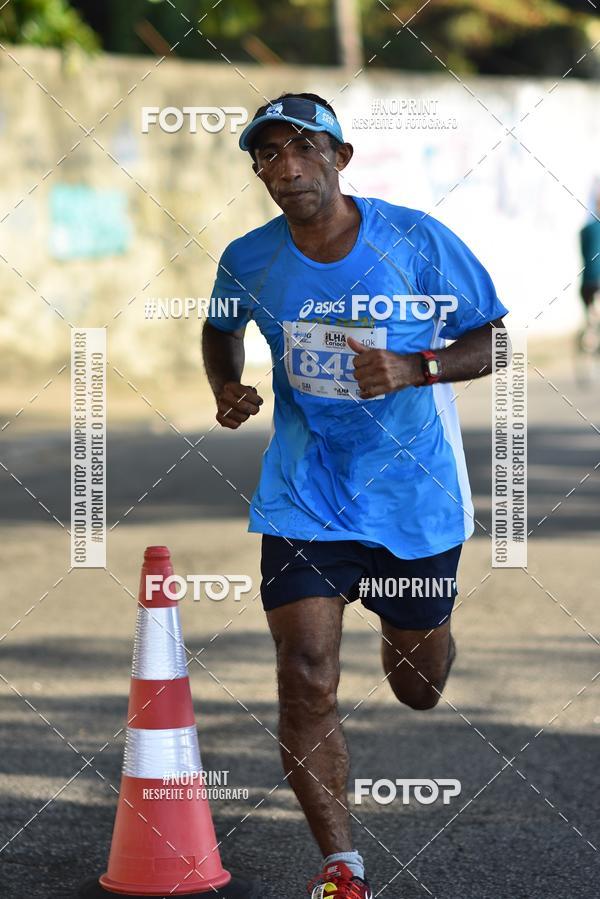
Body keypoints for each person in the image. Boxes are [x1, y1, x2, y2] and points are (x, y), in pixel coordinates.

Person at [202, 92, 508, 899]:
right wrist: (226, 383)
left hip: (414, 499)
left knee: (418, 687)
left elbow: (494, 337)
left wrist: (418, 367)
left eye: (304, 148)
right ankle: (342, 867)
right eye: (268, 154)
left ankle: (425, 629)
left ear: (341, 157)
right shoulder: (250, 257)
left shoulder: (417, 241)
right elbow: (220, 323)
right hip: (308, 493)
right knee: (306, 672)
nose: (287, 167)